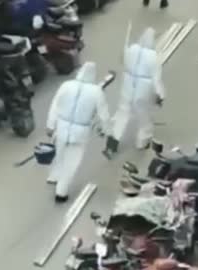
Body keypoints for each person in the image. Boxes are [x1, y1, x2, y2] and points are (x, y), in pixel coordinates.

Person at [46, 62, 110, 203]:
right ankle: (61, 192)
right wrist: (107, 130)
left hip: (62, 127)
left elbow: (55, 105)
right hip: (80, 132)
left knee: (59, 152)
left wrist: (50, 125)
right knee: (72, 162)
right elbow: (103, 115)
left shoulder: (66, 85)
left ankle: (54, 176)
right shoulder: (96, 92)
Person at [105, 28, 165, 157]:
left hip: (128, 83)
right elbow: (156, 78)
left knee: (122, 113)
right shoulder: (154, 56)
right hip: (143, 88)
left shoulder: (131, 49)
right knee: (144, 116)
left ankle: (112, 143)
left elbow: (123, 61)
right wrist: (160, 94)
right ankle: (141, 142)